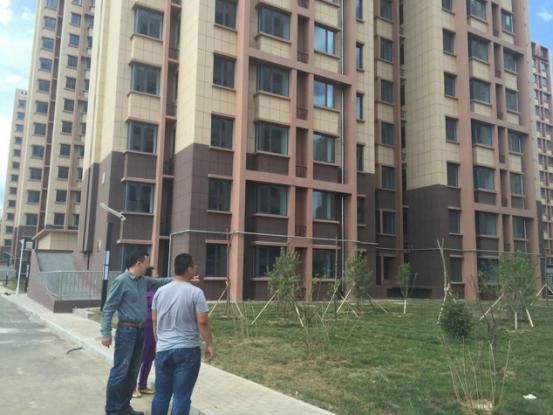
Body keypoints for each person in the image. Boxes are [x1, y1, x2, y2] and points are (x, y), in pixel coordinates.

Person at [100, 253, 172, 415]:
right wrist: (105, 333)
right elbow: (109, 307)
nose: (148, 266)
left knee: (132, 372)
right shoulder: (122, 281)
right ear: (138, 263)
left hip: (140, 331)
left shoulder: (143, 281)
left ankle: (124, 408)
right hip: (126, 331)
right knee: (121, 371)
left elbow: (160, 282)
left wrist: (181, 279)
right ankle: (112, 410)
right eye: (146, 263)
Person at [151, 253, 214, 415]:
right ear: (189, 269)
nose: (196, 268)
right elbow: (203, 321)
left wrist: (159, 341)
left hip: (163, 349)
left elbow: (154, 320)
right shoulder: (196, 293)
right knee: (181, 397)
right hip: (187, 350)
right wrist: (209, 344)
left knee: (161, 395)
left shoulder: (160, 291)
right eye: (194, 265)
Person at [133, 266, 159, 398]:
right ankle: (132, 387)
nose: (157, 275)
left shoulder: (158, 290)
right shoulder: (144, 291)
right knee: (141, 357)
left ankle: (142, 385)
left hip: (156, 326)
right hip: (146, 326)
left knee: (150, 357)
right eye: (155, 274)